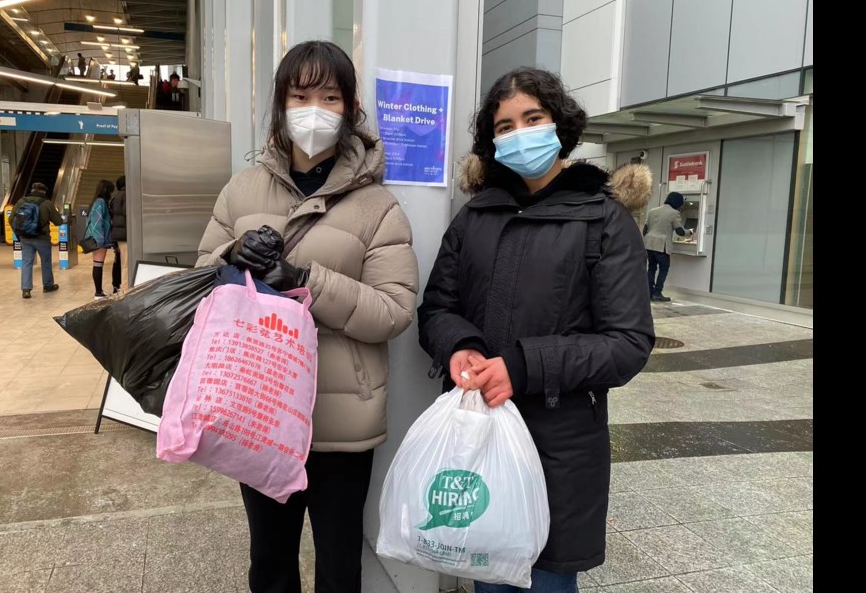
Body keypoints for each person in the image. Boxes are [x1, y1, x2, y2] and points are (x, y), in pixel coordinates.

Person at [417, 67, 655, 593]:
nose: (519, 133)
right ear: (491, 139)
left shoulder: (604, 219)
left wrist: (523, 367)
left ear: (558, 123)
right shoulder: (476, 216)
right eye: (504, 126)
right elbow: (437, 306)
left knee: (545, 580)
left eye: (533, 118)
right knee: (487, 575)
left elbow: (627, 343)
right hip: (478, 434)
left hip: (560, 446)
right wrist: (460, 347)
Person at [195, 39, 419, 593]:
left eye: (329, 96)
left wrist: (306, 281)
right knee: (269, 563)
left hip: (341, 424)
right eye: (299, 95)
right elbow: (199, 283)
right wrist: (231, 258)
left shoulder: (378, 207)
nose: (313, 109)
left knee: (339, 568)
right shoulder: (241, 189)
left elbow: (393, 311)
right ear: (279, 104)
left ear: (350, 109)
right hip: (260, 411)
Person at [10, 182, 63, 299]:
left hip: (25, 238)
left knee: (26, 262)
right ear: (44, 192)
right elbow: (58, 221)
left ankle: (26, 289)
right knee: (46, 262)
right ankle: (48, 285)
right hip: (42, 238)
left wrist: (19, 235)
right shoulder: (47, 204)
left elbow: (10, 219)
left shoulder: (21, 201)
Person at [643, 191, 694, 302]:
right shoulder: (673, 213)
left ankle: (648, 293)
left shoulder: (653, 211)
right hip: (662, 246)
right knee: (663, 269)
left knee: (651, 268)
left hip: (649, 244)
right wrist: (690, 232)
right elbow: (680, 231)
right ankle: (657, 293)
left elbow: (645, 229)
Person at [85, 179, 115, 299]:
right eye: (110, 191)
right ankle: (98, 292)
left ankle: (99, 291)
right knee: (98, 264)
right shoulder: (100, 202)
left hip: (99, 238)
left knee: (98, 264)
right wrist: (101, 242)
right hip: (99, 239)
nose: (111, 194)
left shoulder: (97, 201)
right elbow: (97, 223)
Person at [109, 175, 127, 294]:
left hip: (118, 235)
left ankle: (119, 286)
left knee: (121, 262)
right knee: (126, 265)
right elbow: (128, 213)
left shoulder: (115, 197)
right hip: (126, 235)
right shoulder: (126, 196)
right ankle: (126, 290)